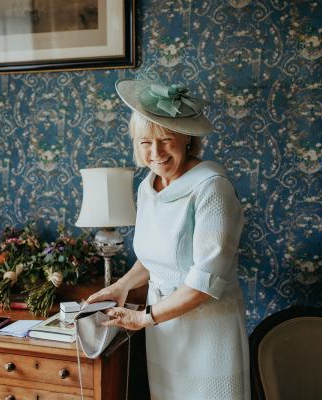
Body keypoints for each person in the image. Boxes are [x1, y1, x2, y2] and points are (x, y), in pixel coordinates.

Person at [85, 79, 250, 400]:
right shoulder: (150, 186)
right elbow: (153, 256)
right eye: (145, 141)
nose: (156, 152)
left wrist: (145, 317)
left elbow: (205, 282)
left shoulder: (211, 189)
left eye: (165, 140)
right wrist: (121, 287)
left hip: (207, 333)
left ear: (187, 139)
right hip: (164, 329)